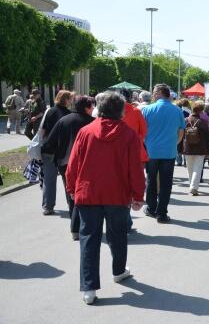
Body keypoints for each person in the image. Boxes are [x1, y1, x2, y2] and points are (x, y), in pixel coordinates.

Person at [65, 91, 145, 305]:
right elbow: (135, 169)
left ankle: (89, 288)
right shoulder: (128, 135)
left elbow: (73, 164)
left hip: (88, 193)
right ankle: (118, 271)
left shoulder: (85, 132)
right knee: (117, 235)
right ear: (121, 111)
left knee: (89, 239)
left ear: (99, 109)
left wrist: (71, 188)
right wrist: (138, 195)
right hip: (117, 194)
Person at [41, 96, 95, 239]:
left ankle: (74, 225)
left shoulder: (64, 120)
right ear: (87, 108)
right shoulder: (93, 122)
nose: (93, 109)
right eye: (92, 106)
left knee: (70, 192)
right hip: (86, 163)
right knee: (85, 193)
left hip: (64, 162)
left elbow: (50, 142)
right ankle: (82, 224)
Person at [142, 84, 186, 223]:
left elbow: (142, 131)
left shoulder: (147, 109)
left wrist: (147, 143)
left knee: (151, 180)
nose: (153, 94)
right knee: (166, 183)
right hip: (169, 151)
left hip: (151, 151)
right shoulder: (177, 110)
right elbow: (181, 132)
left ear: (159, 93)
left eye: (154, 92)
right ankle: (162, 213)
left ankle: (151, 208)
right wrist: (174, 143)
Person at [119, 88, 148, 232]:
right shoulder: (136, 111)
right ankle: (126, 218)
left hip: (117, 154)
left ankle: (124, 219)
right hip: (136, 153)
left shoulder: (113, 112)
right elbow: (144, 131)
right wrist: (136, 140)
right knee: (133, 184)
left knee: (119, 186)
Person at [40, 90, 74, 215]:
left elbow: (42, 131)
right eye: (70, 99)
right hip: (63, 152)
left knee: (49, 179)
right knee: (67, 180)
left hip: (49, 149)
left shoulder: (49, 111)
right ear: (66, 100)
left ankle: (48, 206)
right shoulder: (70, 115)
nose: (71, 101)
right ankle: (71, 206)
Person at [183, 102, 209, 195]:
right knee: (197, 168)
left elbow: (182, 135)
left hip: (188, 147)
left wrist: (180, 149)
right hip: (200, 148)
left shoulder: (186, 120)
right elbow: (207, 137)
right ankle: (194, 187)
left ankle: (191, 185)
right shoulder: (203, 122)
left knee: (190, 168)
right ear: (201, 111)